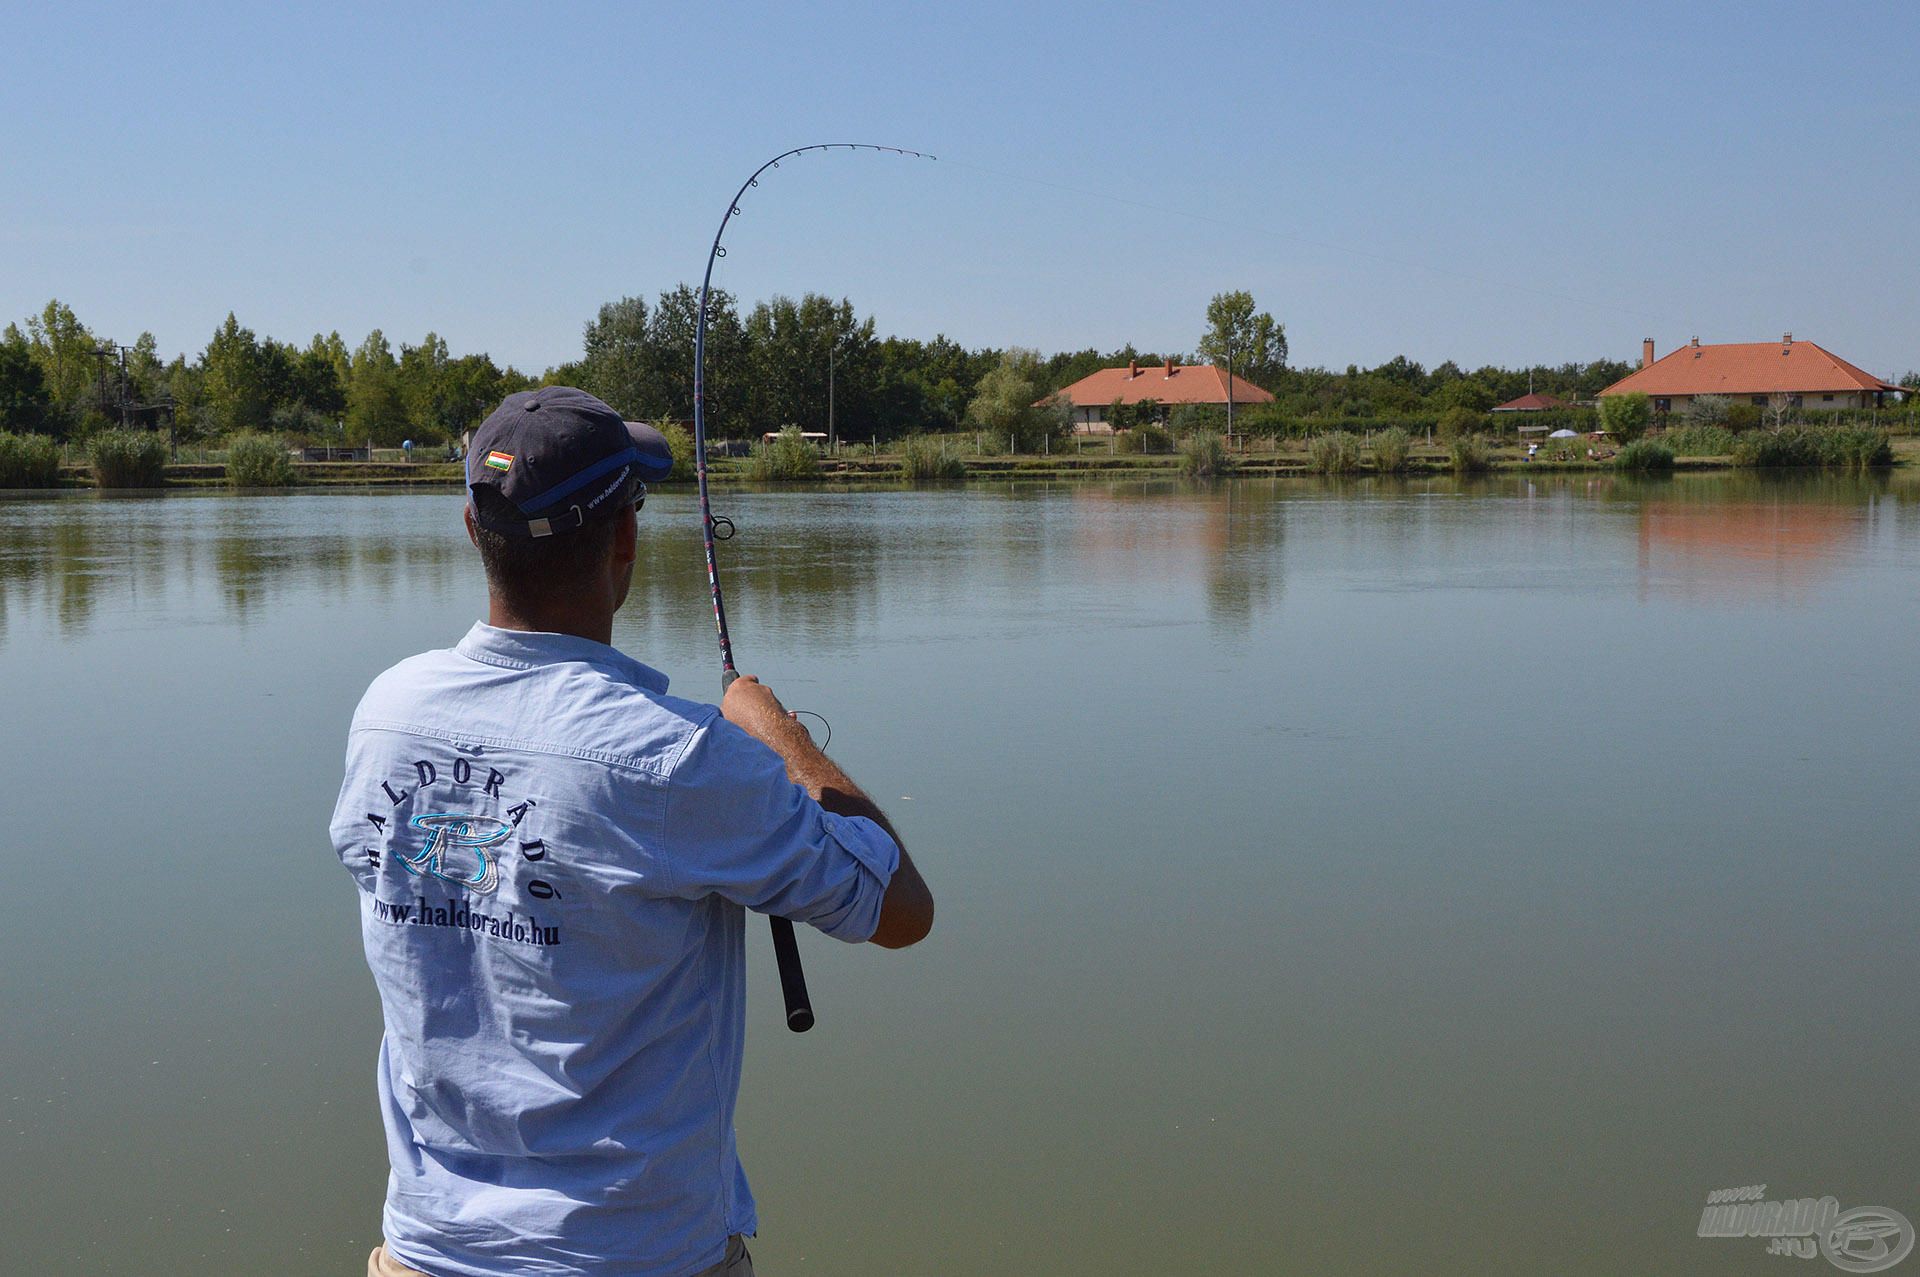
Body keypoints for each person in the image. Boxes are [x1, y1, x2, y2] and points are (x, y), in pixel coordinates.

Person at [330, 386, 933, 1277]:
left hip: (426, 1253)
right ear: (624, 540)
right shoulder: (680, 757)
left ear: (471, 527)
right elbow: (900, 907)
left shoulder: (388, 715)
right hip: (635, 1258)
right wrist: (778, 738)